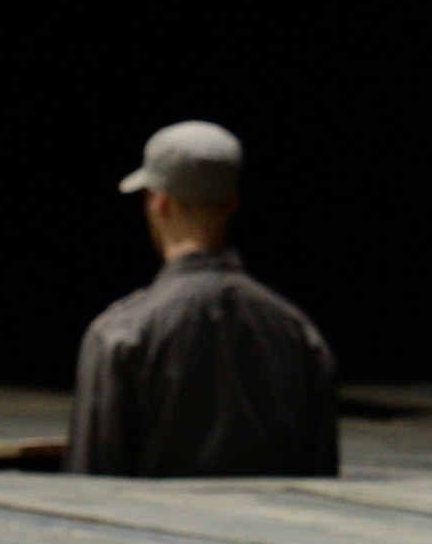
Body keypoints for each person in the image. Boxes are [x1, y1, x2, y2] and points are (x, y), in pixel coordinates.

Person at [66, 120, 339, 480]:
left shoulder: (119, 334)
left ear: (159, 202)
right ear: (232, 203)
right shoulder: (298, 334)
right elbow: (322, 482)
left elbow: (90, 486)